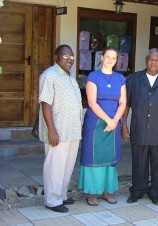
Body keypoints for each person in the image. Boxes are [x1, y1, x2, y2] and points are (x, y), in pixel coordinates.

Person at [122, 48, 158, 205]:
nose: (154, 62)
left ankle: (155, 193)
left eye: (157, 60)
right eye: (151, 59)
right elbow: (126, 105)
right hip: (138, 128)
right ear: (146, 60)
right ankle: (138, 191)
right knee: (138, 162)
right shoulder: (134, 79)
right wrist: (124, 124)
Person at [78, 46, 126, 206]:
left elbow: (123, 102)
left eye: (114, 58)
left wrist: (115, 121)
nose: (110, 60)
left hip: (113, 123)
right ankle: (92, 194)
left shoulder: (120, 78)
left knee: (109, 158)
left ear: (116, 60)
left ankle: (106, 192)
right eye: (108, 57)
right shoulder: (93, 76)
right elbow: (92, 102)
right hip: (96, 123)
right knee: (93, 157)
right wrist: (109, 120)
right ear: (102, 57)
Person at [39, 44, 83, 213]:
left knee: (67, 165)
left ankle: (61, 195)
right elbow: (45, 103)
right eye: (65, 56)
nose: (69, 59)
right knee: (55, 166)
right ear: (56, 57)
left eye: (71, 56)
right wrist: (51, 129)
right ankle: (52, 200)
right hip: (58, 130)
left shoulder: (71, 75)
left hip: (72, 130)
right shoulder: (50, 75)